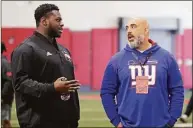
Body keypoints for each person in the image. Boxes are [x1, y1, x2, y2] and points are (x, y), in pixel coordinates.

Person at [100, 18, 184, 128]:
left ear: (146, 30)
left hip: (161, 124)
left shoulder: (167, 58)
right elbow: (106, 92)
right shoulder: (116, 60)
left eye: (133, 26)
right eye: (127, 28)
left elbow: (177, 90)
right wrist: (117, 122)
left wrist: (171, 119)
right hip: (127, 125)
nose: (129, 31)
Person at [11, 3, 80, 128]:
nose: (62, 23)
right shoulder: (26, 49)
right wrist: (52, 88)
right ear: (44, 21)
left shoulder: (63, 51)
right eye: (57, 20)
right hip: (39, 122)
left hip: (67, 122)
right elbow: (20, 83)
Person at [1, 41, 14, 128]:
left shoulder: (4, 63)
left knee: (5, 120)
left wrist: (2, 96)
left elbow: (8, 81)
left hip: (4, 98)